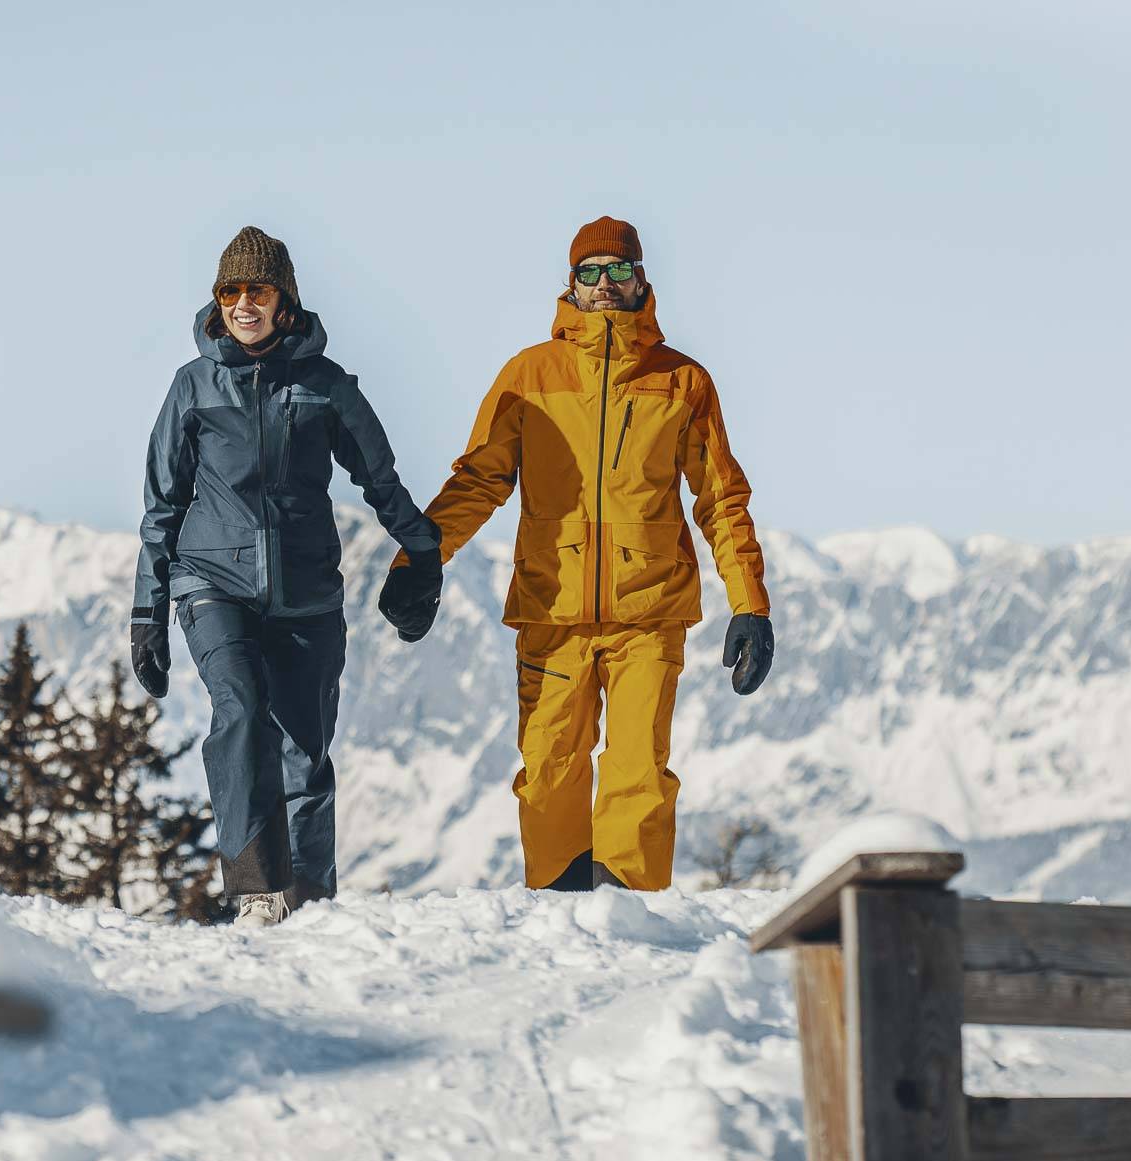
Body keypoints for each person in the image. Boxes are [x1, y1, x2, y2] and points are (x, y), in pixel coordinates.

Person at [379, 216, 773, 892]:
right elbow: (478, 480)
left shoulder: (683, 382)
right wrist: (419, 559)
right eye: (590, 272)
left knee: (639, 771)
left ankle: (630, 919)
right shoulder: (529, 375)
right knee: (549, 768)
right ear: (571, 284)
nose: (605, 284)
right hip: (550, 608)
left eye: (619, 270)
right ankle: (558, 917)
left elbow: (720, 500)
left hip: (649, 613)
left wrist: (751, 605)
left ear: (642, 279)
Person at [132, 226, 442, 925]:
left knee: (306, 748)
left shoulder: (326, 388)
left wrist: (422, 554)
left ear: (285, 300)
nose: (244, 302)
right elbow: (161, 507)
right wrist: (147, 615)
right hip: (214, 583)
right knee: (240, 711)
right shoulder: (193, 387)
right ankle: (254, 888)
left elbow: (381, 480)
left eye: (258, 289)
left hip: (306, 593)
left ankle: (310, 899)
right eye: (231, 290)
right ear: (218, 302)